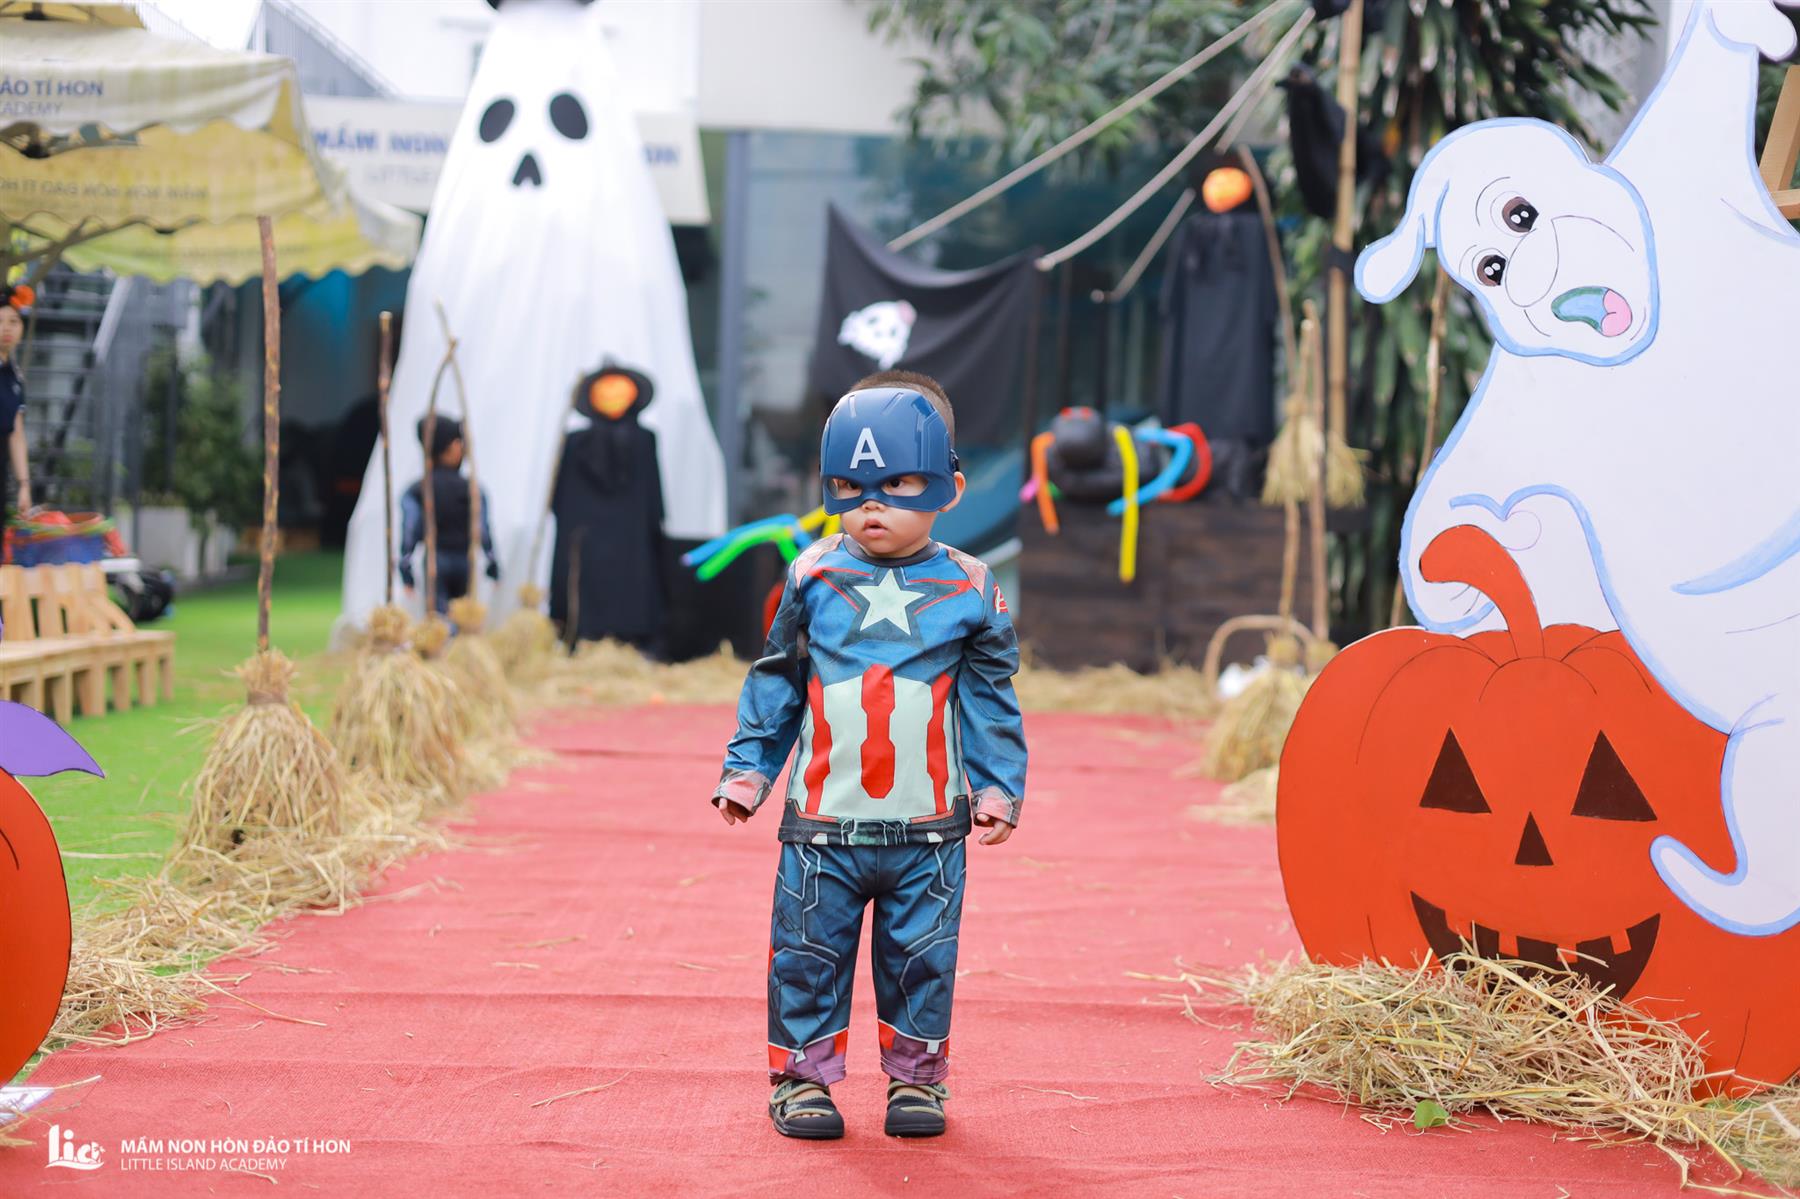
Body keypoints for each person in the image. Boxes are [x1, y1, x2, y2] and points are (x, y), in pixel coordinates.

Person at [710, 368, 1027, 1141]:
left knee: (924, 958)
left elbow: (991, 696)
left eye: (898, 485)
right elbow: (778, 679)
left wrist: (999, 786)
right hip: (822, 827)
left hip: (929, 831)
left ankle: (917, 1081)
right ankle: (801, 1080)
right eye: (851, 488)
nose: (872, 505)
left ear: (949, 488)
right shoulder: (813, 573)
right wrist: (748, 769)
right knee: (807, 955)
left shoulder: (971, 587)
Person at [398, 416, 498, 616]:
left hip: (436, 561)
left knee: (438, 616)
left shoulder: (418, 490)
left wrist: (405, 568)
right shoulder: (472, 490)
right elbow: (482, 530)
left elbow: (411, 528)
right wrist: (492, 563)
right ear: (451, 447)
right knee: (463, 616)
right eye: (458, 443)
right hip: (464, 560)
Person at [0, 285, 37, 517]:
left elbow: (16, 432)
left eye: (14, 321)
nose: (6, 328)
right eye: (0, 321)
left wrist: (24, 484)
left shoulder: (14, 376)